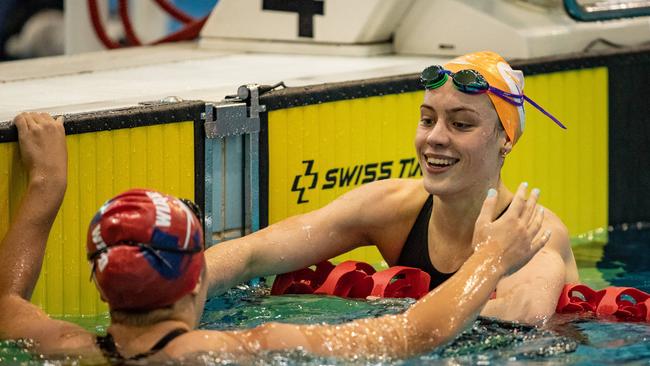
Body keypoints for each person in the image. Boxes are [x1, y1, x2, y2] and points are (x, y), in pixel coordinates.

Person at [0, 112, 549, 362]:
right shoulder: (242, 350)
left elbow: (7, 301)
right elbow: (416, 334)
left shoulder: (61, 345)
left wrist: (47, 183)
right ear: (197, 279)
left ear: (102, 289)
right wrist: (494, 255)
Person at [204, 51, 579, 325]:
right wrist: (175, 284)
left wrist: (383, 308)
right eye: (427, 119)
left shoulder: (533, 233)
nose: (435, 138)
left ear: (505, 140)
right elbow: (254, 254)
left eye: (461, 125)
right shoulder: (393, 208)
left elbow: (524, 318)